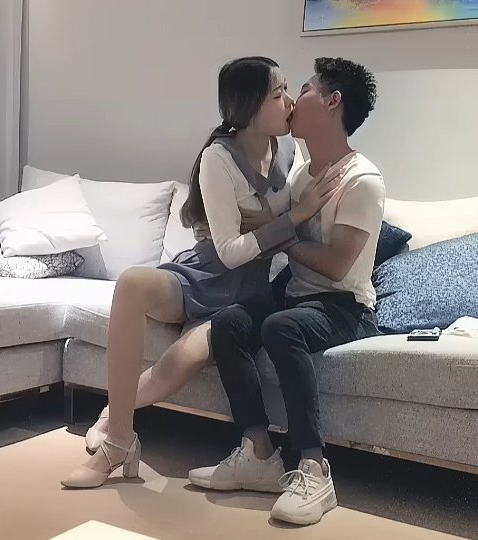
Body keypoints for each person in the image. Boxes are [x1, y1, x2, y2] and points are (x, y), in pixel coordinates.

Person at [61, 56, 337, 489]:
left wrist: (270, 224)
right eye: (278, 93)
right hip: (208, 274)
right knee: (131, 284)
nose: (289, 102)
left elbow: (281, 230)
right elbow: (228, 251)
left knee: (181, 359)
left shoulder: (289, 150)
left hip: (251, 293)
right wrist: (290, 219)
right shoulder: (218, 158)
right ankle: (119, 442)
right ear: (248, 107)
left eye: (288, 90)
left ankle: (110, 416)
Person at [188, 57, 384, 527]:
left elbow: (337, 265)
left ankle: (314, 468)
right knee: (229, 323)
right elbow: (255, 224)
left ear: (333, 102)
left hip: (345, 305)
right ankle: (258, 452)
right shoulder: (298, 173)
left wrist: (284, 234)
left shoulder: (362, 180)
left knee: (281, 327)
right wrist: (272, 226)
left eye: (305, 89)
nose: (293, 100)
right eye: (284, 92)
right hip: (296, 292)